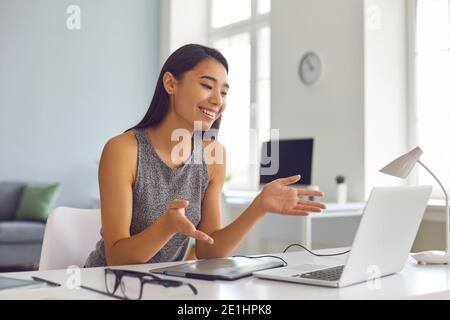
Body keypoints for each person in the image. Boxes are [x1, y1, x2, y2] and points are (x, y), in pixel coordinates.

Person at [85, 44, 326, 267]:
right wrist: (166, 226)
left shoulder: (213, 155)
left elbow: (208, 249)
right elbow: (116, 258)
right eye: (207, 86)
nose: (217, 100)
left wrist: (259, 206)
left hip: (162, 287)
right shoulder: (123, 150)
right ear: (170, 83)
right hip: (106, 284)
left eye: (224, 92)